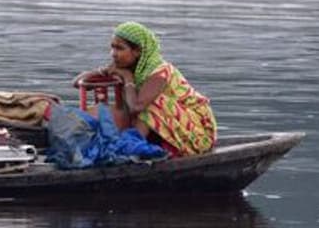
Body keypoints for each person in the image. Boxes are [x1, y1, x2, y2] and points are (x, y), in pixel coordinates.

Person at [73, 21, 216, 156]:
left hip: (198, 132)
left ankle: (132, 145)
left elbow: (136, 107)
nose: (113, 53)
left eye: (120, 48)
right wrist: (101, 71)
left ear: (137, 52)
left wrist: (128, 78)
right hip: (172, 126)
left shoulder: (161, 71)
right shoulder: (126, 67)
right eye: (112, 47)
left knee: (150, 103)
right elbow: (78, 82)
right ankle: (130, 143)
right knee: (115, 109)